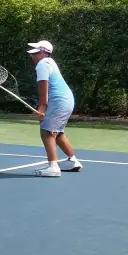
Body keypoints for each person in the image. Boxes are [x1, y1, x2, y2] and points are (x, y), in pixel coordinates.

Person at [27, 40, 80, 177]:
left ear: (44, 53)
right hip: (67, 99)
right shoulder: (50, 62)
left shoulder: (42, 64)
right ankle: (72, 161)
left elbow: (43, 90)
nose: (33, 55)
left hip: (59, 101)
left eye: (36, 52)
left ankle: (53, 167)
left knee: (47, 132)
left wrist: (42, 109)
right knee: (58, 132)